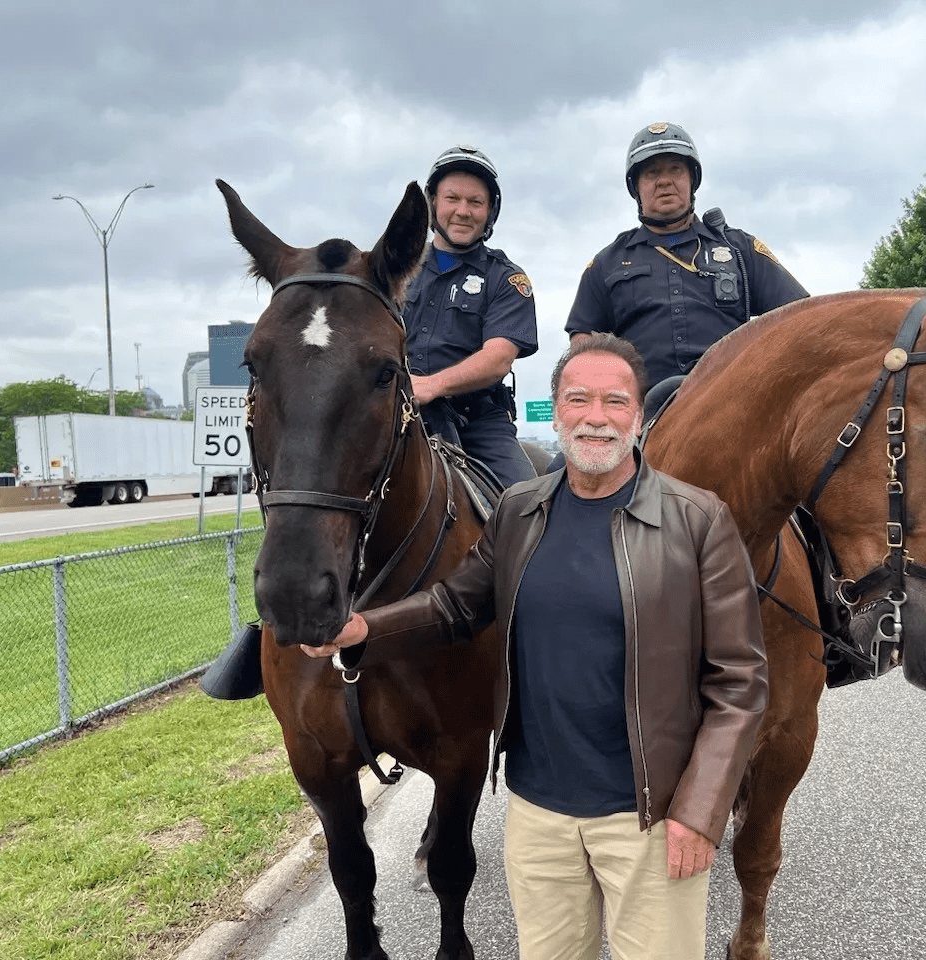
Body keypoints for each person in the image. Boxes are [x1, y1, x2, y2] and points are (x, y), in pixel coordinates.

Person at [303, 333, 768, 959]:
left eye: (614, 401)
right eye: (579, 399)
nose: (596, 417)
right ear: (556, 409)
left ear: (638, 415)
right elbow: (457, 604)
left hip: (653, 820)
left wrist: (702, 809)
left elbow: (740, 682)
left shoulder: (698, 520)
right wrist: (366, 630)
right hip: (537, 815)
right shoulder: (519, 511)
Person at [566, 121, 810, 393]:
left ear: (692, 179)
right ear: (636, 188)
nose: (664, 181)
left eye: (675, 170)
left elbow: (804, 316)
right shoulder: (607, 263)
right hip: (644, 410)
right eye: (652, 173)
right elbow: (582, 339)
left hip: (735, 399)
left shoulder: (740, 249)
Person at [404, 145, 539, 488]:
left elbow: (497, 360)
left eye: (475, 202)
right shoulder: (395, 269)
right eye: (452, 199)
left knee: (525, 507)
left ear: (490, 211)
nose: (462, 211)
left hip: (479, 422)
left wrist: (430, 386)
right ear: (432, 202)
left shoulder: (507, 278)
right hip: (396, 411)